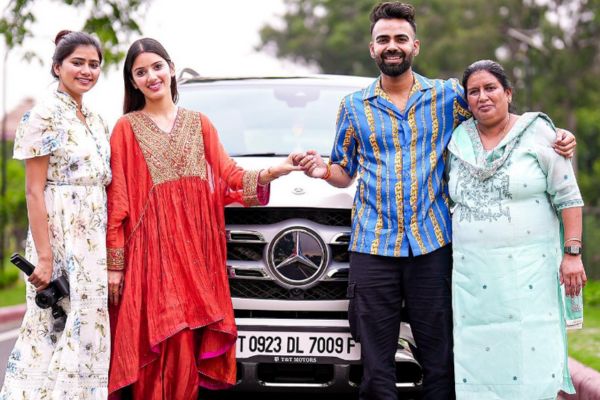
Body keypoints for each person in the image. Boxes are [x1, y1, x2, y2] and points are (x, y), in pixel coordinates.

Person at [295, 3, 576, 399]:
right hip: (372, 247)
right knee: (376, 367)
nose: (392, 46)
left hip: (432, 247)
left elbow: (497, 115)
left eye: (400, 39)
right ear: (372, 49)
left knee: (439, 361)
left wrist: (551, 133)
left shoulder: (447, 97)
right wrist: (324, 171)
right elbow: (344, 168)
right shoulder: (353, 106)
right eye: (383, 40)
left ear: (415, 46)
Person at [105, 38, 300, 399]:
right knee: (163, 344)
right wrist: (115, 264)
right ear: (132, 82)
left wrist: (276, 170)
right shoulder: (126, 129)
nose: (151, 77)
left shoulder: (200, 124)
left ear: (171, 68)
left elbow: (230, 178)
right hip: (152, 260)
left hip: (197, 259)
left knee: (186, 349)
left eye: (157, 67)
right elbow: (117, 202)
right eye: (141, 72)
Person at [447, 59, 586, 400]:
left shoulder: (541, 135)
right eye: (474, 92)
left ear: (508, 93)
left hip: (530, 278)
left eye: (490, 88)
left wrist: (572, 254)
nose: (482, 97)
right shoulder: (457, 142)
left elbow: (569, 197)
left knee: (531, 358)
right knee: (478, 360)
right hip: (474, 283)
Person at [0, 31, 110, 399]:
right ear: (57, 66)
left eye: (94, 64)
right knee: (53, 330)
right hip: (60, 236)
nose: (86, 71)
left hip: (93, 241)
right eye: (77, 62)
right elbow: (34, 190)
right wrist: (44, 258)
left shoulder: (95, 118)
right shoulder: (43, 114)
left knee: (88, 330)